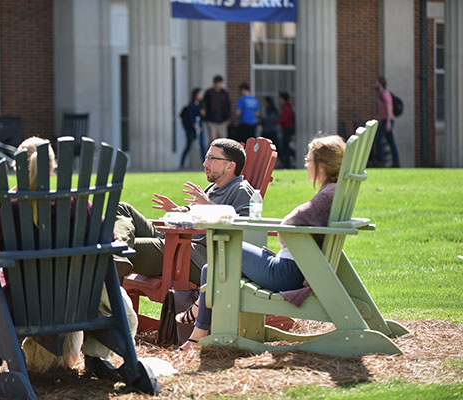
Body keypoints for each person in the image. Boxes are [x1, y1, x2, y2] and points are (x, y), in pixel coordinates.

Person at [0, 137, 137, 375]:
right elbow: (110, 237)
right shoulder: (77, 205)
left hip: (24, 308)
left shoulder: (9, 208)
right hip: (78, 303)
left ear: (18, 167)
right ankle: (97, 358)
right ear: (52, 168)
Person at [176, 135, 346, 350]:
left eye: (308, 160)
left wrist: (285, 227)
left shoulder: (326, 195)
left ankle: (196, 328)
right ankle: (197, 331)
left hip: (286, 272)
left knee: (224, 251)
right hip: (294, 266)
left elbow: (291, 225)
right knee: (212, 267)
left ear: (321, 164)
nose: (306, 164)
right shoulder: (332, 192)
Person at [114, 138, 254, 285]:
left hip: (194, 256)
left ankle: (117, 256)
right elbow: (197, 214)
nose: (205, 163)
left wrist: (208, 206)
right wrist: (181, 212)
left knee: (122, 250)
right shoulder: (214, 188)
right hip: (177, 240)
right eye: (206, 158)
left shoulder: (241, 190)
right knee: (122, 208)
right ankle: (118, 250)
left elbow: (243, 230)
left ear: (230, 166)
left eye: (212, 158)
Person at [374, 76, 400, 167]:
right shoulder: (381, 94)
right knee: (390, 141)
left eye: (376, 82)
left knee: (378, 139)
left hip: (387, 120)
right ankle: (396, 162)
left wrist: (388, 122)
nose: (375, 84)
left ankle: (381, 161)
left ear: (380, 83)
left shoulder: (384, 94)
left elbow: (389, 107)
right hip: (384, 120)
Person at [180, 88, 207, 168]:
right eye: (200, 94)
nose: (201, 95)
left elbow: (202, 118)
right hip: (191, 129)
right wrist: (195, 125)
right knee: (188, 145)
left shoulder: (202, 105)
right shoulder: (191, 106)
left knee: (202, 146)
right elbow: (190, 117)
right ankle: (182, 163)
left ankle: (205, 164)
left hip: (200, 128)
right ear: (196, 95)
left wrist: (203, 114)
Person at [203, 75, 231, 142]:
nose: (218, 85)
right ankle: (211, 152)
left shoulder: (224, 93)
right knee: (213, 139)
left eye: (220, 83)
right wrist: (204, 112)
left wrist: (228, 117)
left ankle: (220, 152)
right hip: (211, 119)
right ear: (214, 83)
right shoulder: (209, 92)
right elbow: (204, 103)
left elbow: (228, 105)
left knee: (223, 140)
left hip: (222, 120)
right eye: (217, 83)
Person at [273, 92, 296, 168]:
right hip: (288, 128)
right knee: (286, 146)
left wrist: (275, 121)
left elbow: (284, 119)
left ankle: (287, 163)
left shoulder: (286, 108)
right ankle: (288, 161)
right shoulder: (289, 106)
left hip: (287, 129)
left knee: (285, 146)